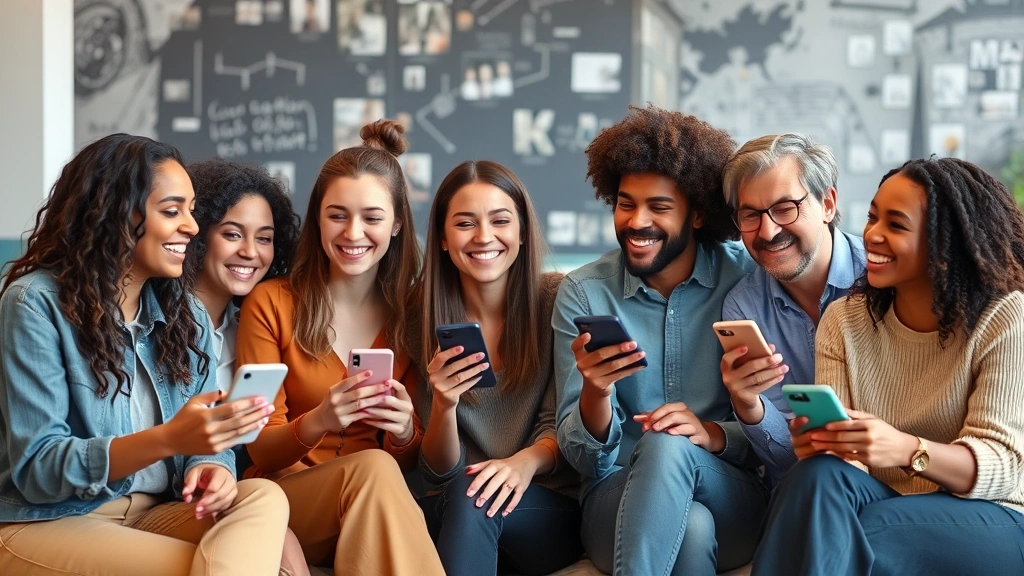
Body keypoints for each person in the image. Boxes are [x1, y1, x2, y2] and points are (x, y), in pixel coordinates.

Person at [0, 134, 288, 575]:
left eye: (191, 211)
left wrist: (213, 467)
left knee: (263, 496)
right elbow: (39, 469)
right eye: (172, 211)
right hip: (56, 518)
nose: (192, 227)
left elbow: (210, 445)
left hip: (157, 513)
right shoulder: (34, 304)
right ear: (114, 215)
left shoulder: (184, 313)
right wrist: (170, 438)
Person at [752, 157, 1024, 575]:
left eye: (896, 225)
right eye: (873, 217)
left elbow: (1003, 468)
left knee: (867, 530)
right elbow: (847, 469)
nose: (872, 235)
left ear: (944, 242)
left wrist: (904, 448)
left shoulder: (1004, 317)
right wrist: (826, 444)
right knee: (815, 475)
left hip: (995, 515)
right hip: (888, 500)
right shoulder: (844, 320)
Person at [553, 105, 766, 575]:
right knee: (688, 528)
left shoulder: (747, 279)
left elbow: (769, 432)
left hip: (728, 490)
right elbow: (581, 458)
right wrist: (596, 391)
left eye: (659, 207)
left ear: (697, 215)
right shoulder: (585, 292)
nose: (636, 221)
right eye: (626, 203)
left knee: (668, 444)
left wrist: (710, 434)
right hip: (617, 497)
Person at [235, 119, 444, 576]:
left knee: (377, 471)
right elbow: (259, 451)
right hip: (284, 499)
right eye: (337, 215)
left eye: (371, 217)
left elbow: (407, 460)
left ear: (395, 226)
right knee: (372, 468)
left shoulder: (412, 314)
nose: (353, 233)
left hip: (370, 505)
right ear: (318, 220)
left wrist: (407, 431)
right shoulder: (271, 304)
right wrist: (319, 421)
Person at [410, 160, 582, 575]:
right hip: (456, 503)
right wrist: (445, 405)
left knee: (475, 497)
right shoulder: (417, 317)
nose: (484, 237)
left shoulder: (557, 300)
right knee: (464, 496)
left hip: (543, 504)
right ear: (443, 240)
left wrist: (521, 463)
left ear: (521, 232)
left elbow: (563, 424)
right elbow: (439, 471)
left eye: (500, 220)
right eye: (465, 223)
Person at [183, 159, 309, 576]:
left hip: (240, 488)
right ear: (198, 236)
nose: (250, 252)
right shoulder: (156, 324)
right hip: (184, 492)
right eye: (232, 234)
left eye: (265, 238)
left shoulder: (254, 329)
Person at [719, 133, 866, 486]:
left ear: (828, 204)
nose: (768, 231)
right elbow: (786, 462)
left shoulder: (880, 279)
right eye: (750, 215)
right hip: (805, 489)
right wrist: (748, 404)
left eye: (785, 208)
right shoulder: (744, 305)